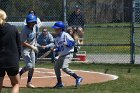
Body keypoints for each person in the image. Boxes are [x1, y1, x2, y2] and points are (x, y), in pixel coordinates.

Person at [51, 21, 83, 88]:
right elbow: (60, 48)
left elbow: (73, 42)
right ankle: (59, 83)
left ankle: (77, 78)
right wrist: (55, 49)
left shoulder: (65, 35)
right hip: (62, 55)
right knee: (56, 67)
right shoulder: (57, 38)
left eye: (56, 28)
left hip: (68, 54)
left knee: (64, 68)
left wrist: (67, 44)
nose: (55, 30)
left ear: (61, 29)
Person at [0, 9, 21, 93]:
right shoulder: (13, 28)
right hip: (12, 60)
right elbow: (18, 46)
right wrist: (17, 58)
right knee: (16, 83)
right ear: (5, 17)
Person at [19, 14, 38, 88]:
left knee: (32, 67)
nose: (33, 23)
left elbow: (34, 37)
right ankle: (20, 73)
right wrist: (32, 46)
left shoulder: (34, 27)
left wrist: (35, 45)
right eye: (31, 22)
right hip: (25, 49)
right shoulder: (24, 30)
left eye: (34, 22)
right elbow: (22, 42)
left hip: (32, 48)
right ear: (28, 22)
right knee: (29, 66)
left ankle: (29, 82)